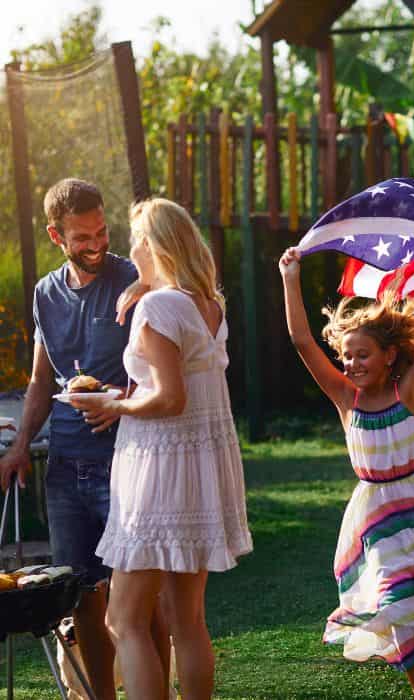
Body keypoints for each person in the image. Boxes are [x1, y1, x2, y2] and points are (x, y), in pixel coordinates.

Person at [70, 197, 252, 700]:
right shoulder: (208, 303)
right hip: (199, 470)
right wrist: (145, 283)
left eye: (135, 241)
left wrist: (114, 408)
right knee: (186, 619)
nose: (130, 252)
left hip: (159, 474)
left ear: (152, 243)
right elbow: (177, 386)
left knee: (122, 619)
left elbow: (169, 400)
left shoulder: (158, 306)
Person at [279, 244, 414, 700]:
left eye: (362, 354)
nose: (352, 364)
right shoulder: (346, 400)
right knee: (397, 607)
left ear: (389, 356)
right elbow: (302, 342)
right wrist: (291, 278)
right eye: (347, 356)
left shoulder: (408, 389)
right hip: (381, 517)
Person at [0, 178, 146, 700]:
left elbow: (157, 364)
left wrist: (124, 398)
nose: (96, 244)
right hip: (63, 468)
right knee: (81, 594)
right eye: (82, 236)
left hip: (124, 460)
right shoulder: (45, 292)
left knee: (136, 597)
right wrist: (21, 449)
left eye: (102, 231)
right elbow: (42, 380)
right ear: (56, 235)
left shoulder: (133, 277)